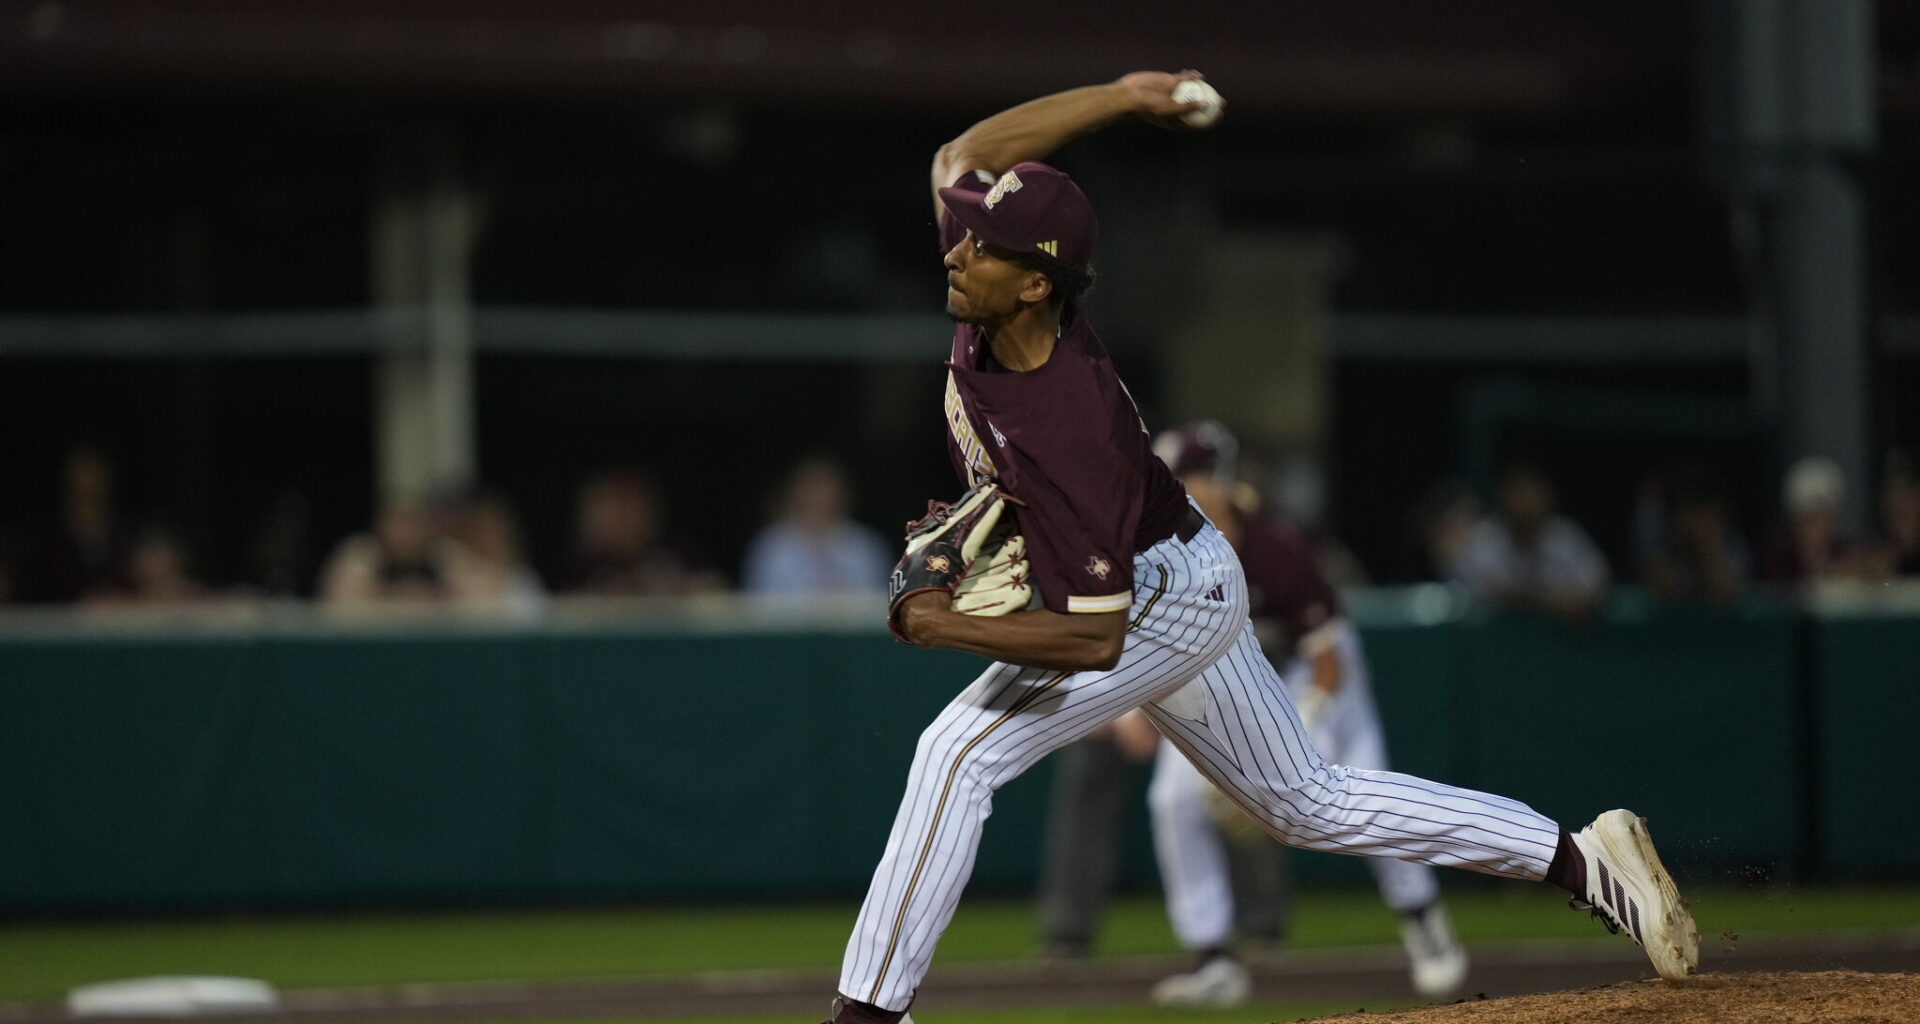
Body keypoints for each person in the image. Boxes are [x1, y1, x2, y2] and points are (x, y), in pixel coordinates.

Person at [822, 71, 1697, 1024]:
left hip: (1158, 599)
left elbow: (1094, 643)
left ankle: (868, 1014)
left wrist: (943, 627)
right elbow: (965, 153)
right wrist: (1120, 95)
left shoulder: (1074, 428)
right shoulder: (1002, 284)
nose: (955, 256)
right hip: (1173, 568)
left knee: (956, 754)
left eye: (981, 251)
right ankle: (1580, 858)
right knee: (1306, 804)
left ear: (1035, 283)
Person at [1127, 422, 1466, 1007]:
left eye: (1185, 477)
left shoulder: (1275, 544)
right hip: (1235, 678)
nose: (1175, 489)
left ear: (1222, 480)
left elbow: (1328, 657)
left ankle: (1421, 917)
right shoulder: (1169, 557)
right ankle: (1212, 958)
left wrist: (1303, 723)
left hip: (1320, 678)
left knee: (1357, 791)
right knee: (1173, 800)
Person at [1448, 462, 1610, 620]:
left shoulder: (1564, 537)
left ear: (1546, 497)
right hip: (1493, 640)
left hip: (1557, 641)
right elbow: (1466, 585)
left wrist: (1572, 597)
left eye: (1530, 496)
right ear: (1503, 499)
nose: (1524, 506)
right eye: (1517, 496)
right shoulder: (1484, 538)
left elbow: (1598, 579)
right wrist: (1547, 596)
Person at [560, 468, 725, 596]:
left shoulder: (674, 555)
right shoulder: (581, 566)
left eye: (634, 509)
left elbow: (717, 594)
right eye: (618, 510)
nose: (628, 520)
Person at [742, 456, 893, 596]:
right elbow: (757, 609)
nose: (818, 497)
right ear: (794, 492)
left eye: (825, 487)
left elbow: (879, 606)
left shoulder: (866, 546)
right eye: (810, 487)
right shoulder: (770, 548)